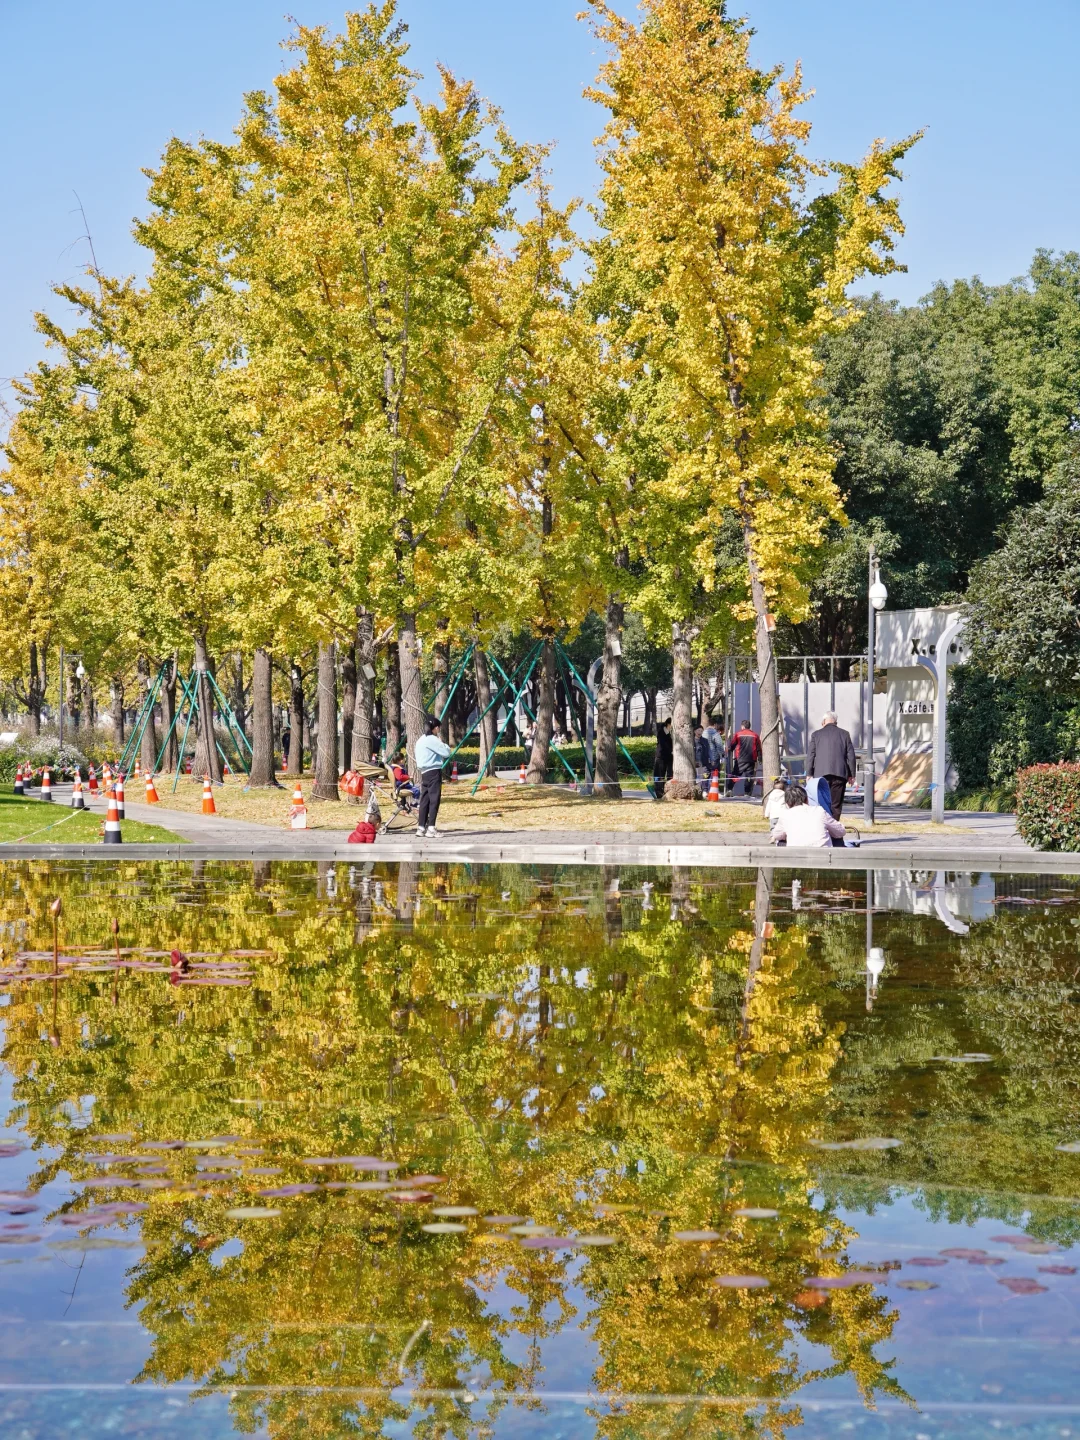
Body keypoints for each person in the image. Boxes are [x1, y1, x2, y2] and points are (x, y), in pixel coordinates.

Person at [807, 711, 857, 821]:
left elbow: (811, 755)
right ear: (835, 722)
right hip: (839, 774)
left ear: (824, 721)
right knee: (836, 805)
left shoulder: (816, 735)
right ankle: (834, 828)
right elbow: (851, 756)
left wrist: (809, 773)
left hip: (821, 775)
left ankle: (823, 826)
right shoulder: (845, 734)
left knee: (822, 803)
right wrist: (852, 774)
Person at [771, 783, 846, 848]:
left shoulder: (785, 815)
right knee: (836, 836)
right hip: (824, 857)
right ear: (807, 799)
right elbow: (841, 831)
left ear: (787, 803)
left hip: (796, 856)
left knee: (781, 841)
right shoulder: (819, 811)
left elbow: (777, 835)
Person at [414, 716, 451, 837]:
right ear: (435, 728)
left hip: (424, 772)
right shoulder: (433, 739)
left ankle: (420, 828)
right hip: (434, 771)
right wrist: (442, 742)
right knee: (434, 799)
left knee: (424, 800)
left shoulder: (420, 739)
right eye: (438, 728)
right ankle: (431, 828)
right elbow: (446, 753)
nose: (439, 730)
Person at [726, 719, 761, 796]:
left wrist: (730, 749)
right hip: (751, 759)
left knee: (735, 775)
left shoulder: (738, 734)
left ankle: (729, 790)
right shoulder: (755, 735)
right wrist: (760, 758)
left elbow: (732, 745)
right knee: (749, 777)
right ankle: (747, 793)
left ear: (742, 726)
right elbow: (759, 748)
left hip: (740, 759)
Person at [653, 718, 673, 799]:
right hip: (661, 756)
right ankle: (659, 793)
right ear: (668, 724)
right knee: (659, 775)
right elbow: (663, 744)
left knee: (670, 775)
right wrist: (671, 750)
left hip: (670, 757)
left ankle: (669, 791)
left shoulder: (672, 733)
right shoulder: (661, 732)